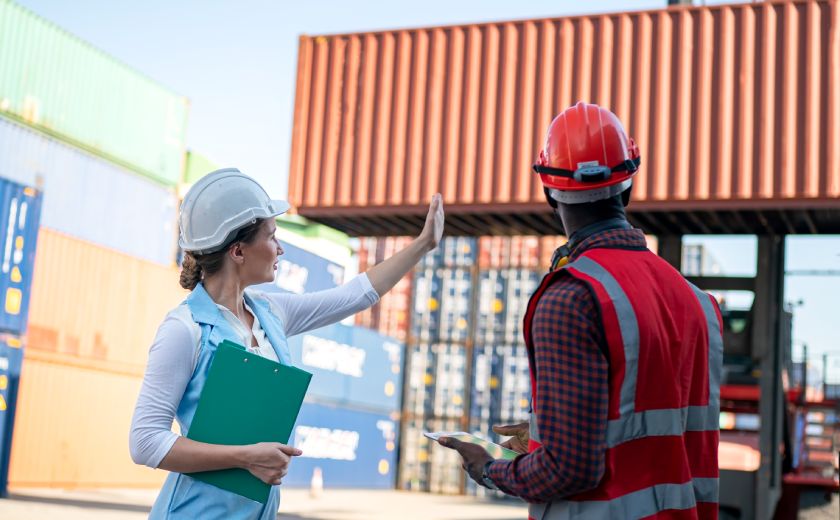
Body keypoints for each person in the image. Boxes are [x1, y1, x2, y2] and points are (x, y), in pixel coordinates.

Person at [439, 102, 723, 519]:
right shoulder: (700, 304)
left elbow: (569, 469)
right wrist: (545, 433)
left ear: (549, 193)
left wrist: (489, 469)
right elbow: (653, 432)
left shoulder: (571, 298)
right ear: (627, 187)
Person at [130, 168, 444, 519]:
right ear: (237, 251)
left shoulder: (270, 314)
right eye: (271, 236)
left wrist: (422, 245)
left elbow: (353, 296)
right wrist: (245, 457)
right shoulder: (183, 329)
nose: (279, 248)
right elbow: (145, 442)